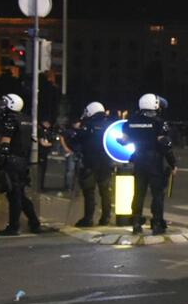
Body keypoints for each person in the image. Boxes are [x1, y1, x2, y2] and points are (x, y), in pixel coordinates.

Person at [122, 93, 177, 235]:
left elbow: (123, 140)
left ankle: (136, 222)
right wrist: (173, 163)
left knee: (138, 193)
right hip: (154, 162)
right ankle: (157, 223)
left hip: (139, 160)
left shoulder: (131, 122)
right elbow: (165, 145)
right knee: (157, 194)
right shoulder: (159, 122)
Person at [0, 94, 44, 236]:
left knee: (14, 196)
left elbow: (6, 144)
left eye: (4, 102)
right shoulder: (26, 119)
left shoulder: (10, 119)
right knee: (20, 195)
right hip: (23, 161)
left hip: (11, 162)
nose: (1, 105)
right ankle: (34, 223)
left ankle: (14, 227)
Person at [69, 102, 115, 227]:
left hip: (90, 162)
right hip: (106, 162)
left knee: (89, 191)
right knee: (105, 191)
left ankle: (88, 218)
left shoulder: (88, 125)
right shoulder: (109, 125)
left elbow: (76, 139)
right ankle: (106, 217)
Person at [37, 119, 55, 191]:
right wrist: (51, 144)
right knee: (41, 171)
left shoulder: (47, 131)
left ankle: (41, 186)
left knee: (42, 171)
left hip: (44, 153)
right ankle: (39, 186)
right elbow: (43, 143)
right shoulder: (41, 131)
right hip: (41, 153)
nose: (48, 125)